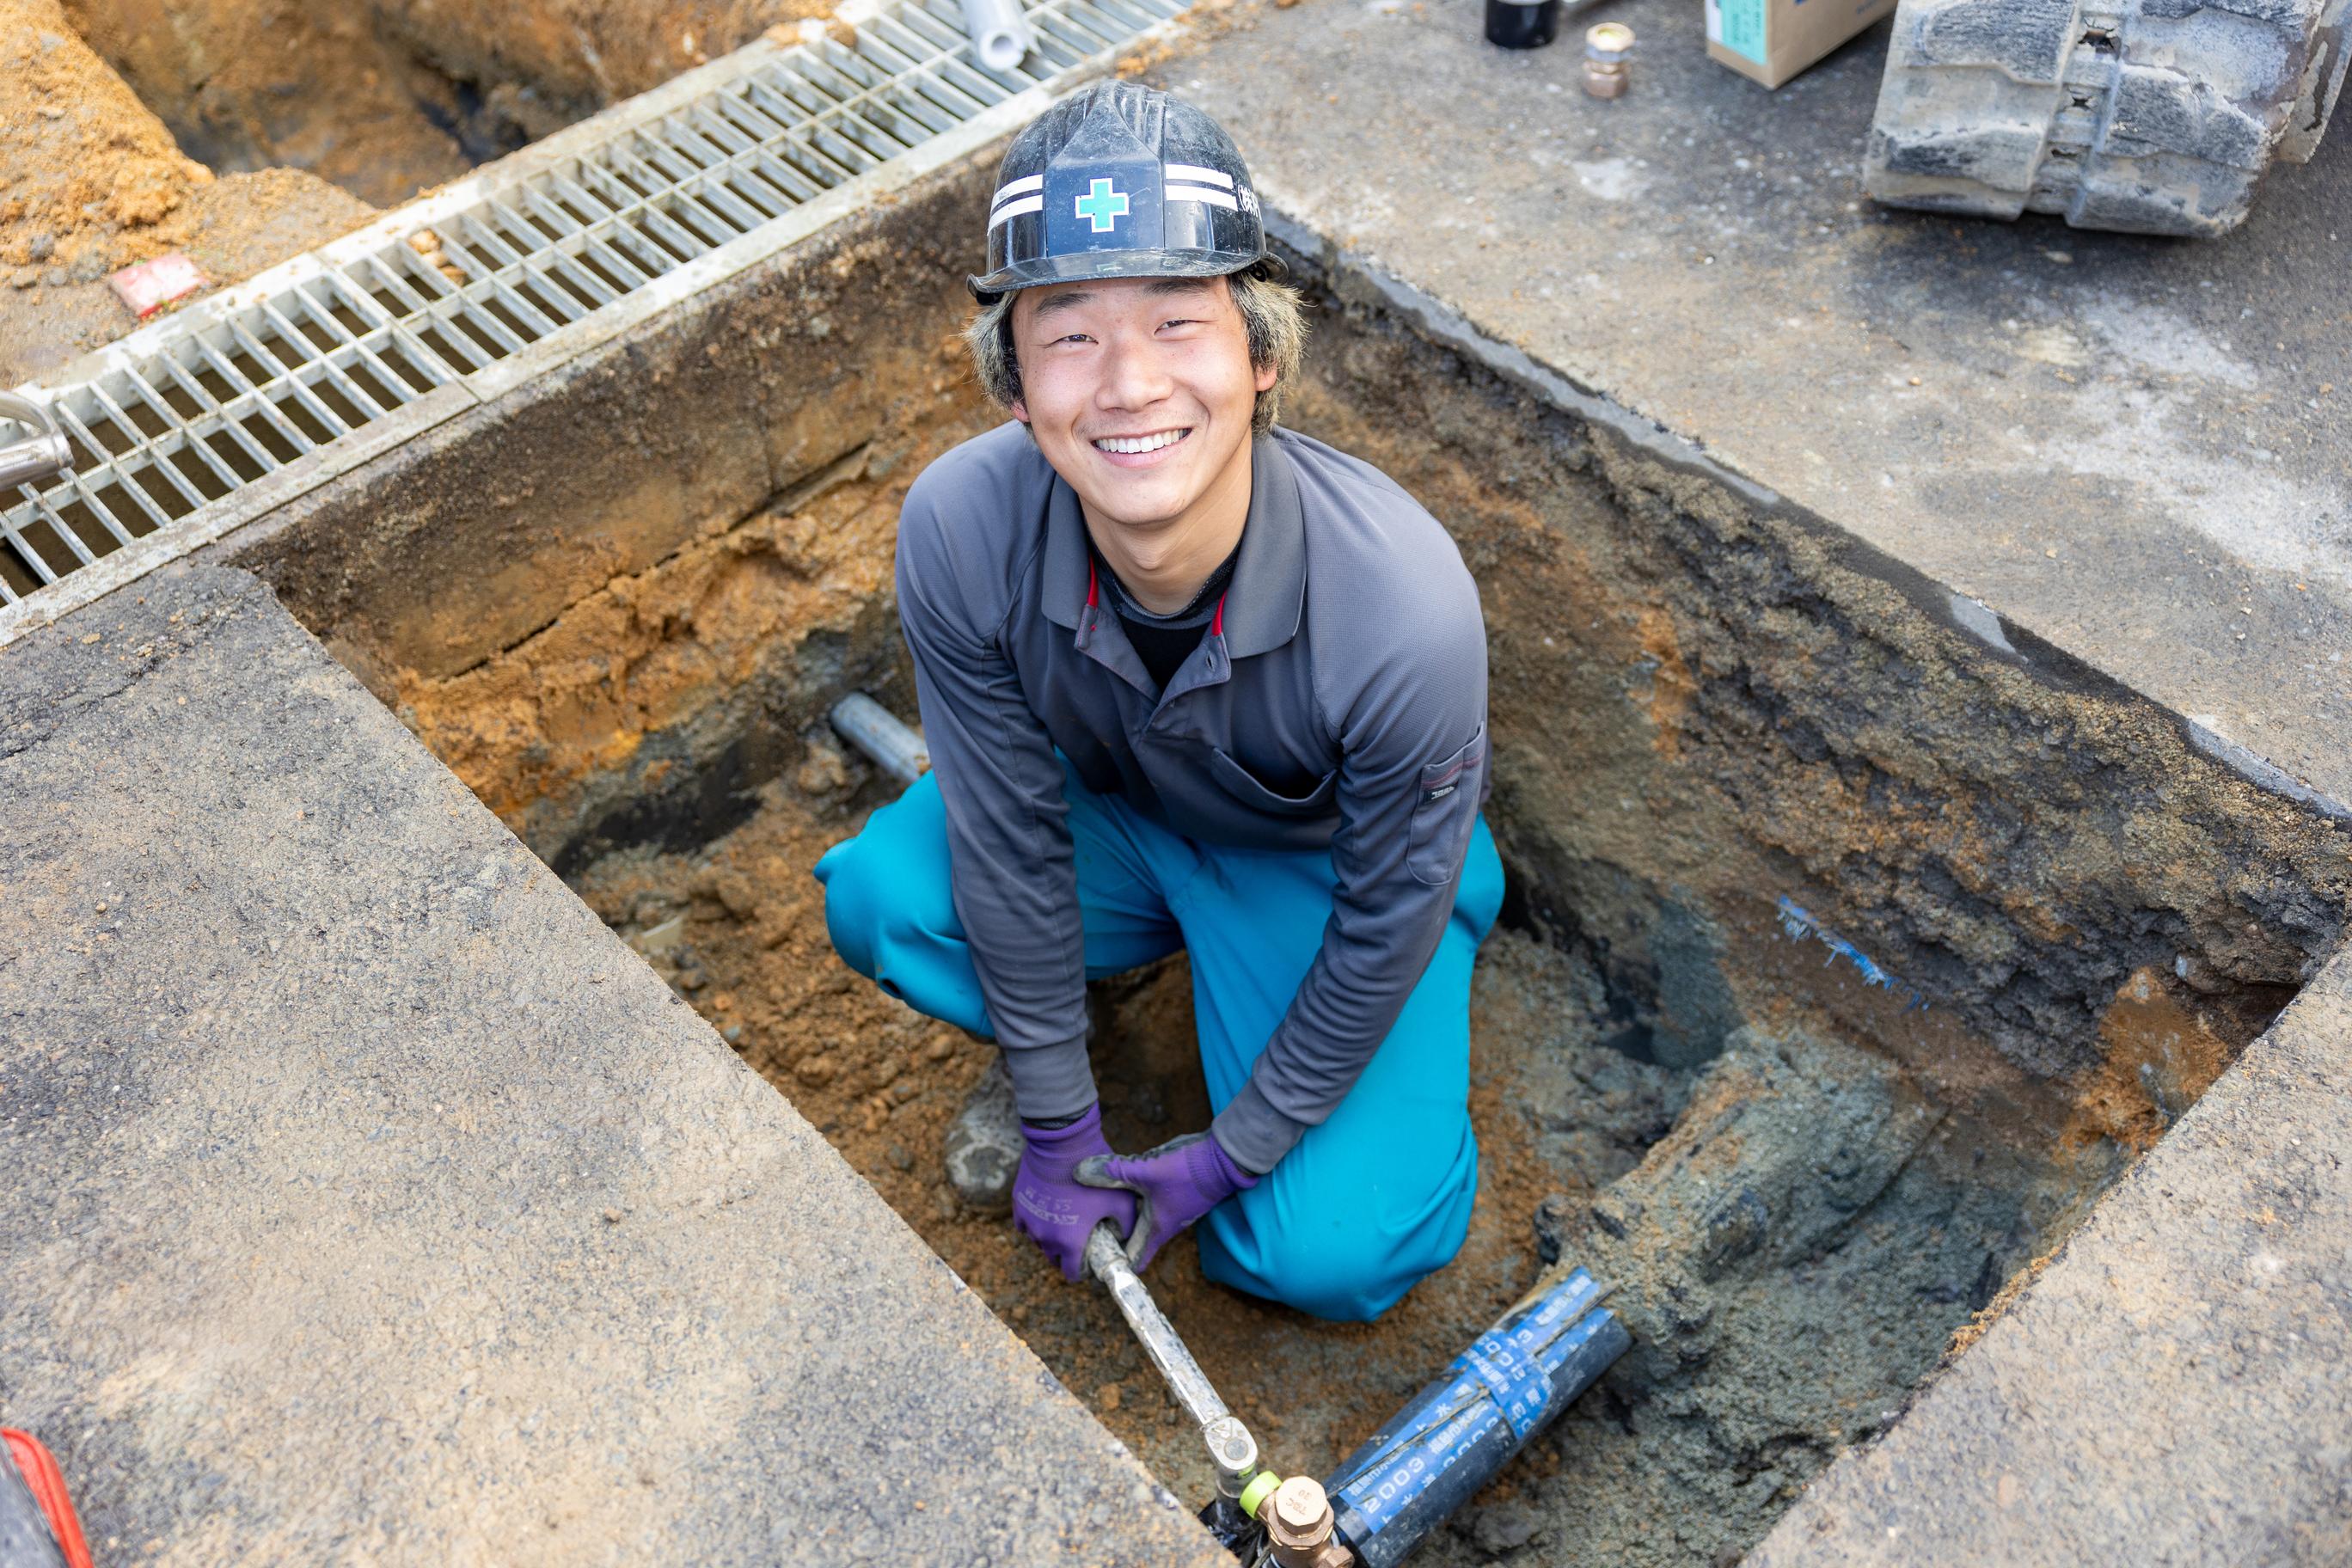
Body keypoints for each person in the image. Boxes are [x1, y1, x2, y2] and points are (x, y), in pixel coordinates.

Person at [813, 81, 1500, 1323]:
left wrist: (1225, 1156)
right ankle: (1102, 1011)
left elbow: (1383, 912)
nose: (1126, 384)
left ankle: (1304, 1006)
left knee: (1329, 1254)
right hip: (1118, 819)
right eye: (1067, 332)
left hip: (1328, 868)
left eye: (1179, 323)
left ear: (1264, 358)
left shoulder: (1400, 608)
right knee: (885, 900)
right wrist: (1058, 1120)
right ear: (1015, 389)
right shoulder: (964, 527)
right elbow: (1008, 834)